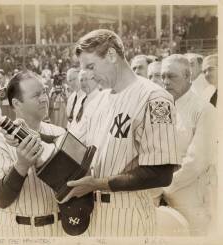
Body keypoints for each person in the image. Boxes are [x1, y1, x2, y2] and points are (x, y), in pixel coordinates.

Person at [61, 29, 179, 236]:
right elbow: (75, 144)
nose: (87, 74)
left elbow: (161, 174)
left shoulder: (155, 98)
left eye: (91, 66)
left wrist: (97, 184)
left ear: (112, 55)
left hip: (129, 214)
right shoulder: (97, 99)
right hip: (92, 213)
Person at [0, 71, 65, 237]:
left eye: (44, 92)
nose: (44, 98)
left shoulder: (59, 133)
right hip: (18, 231)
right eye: (36, 95)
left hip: (59, 229)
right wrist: (21, 166)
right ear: (17, 103)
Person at [161, 54, 216, 235]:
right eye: (163, 77)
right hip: (165, 196)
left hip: (192, 200)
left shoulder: (204, 110)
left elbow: (196, 161)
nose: (165, 82)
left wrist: (165, 186)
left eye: (171, 76)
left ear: (187, 76)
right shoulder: (164, 108)